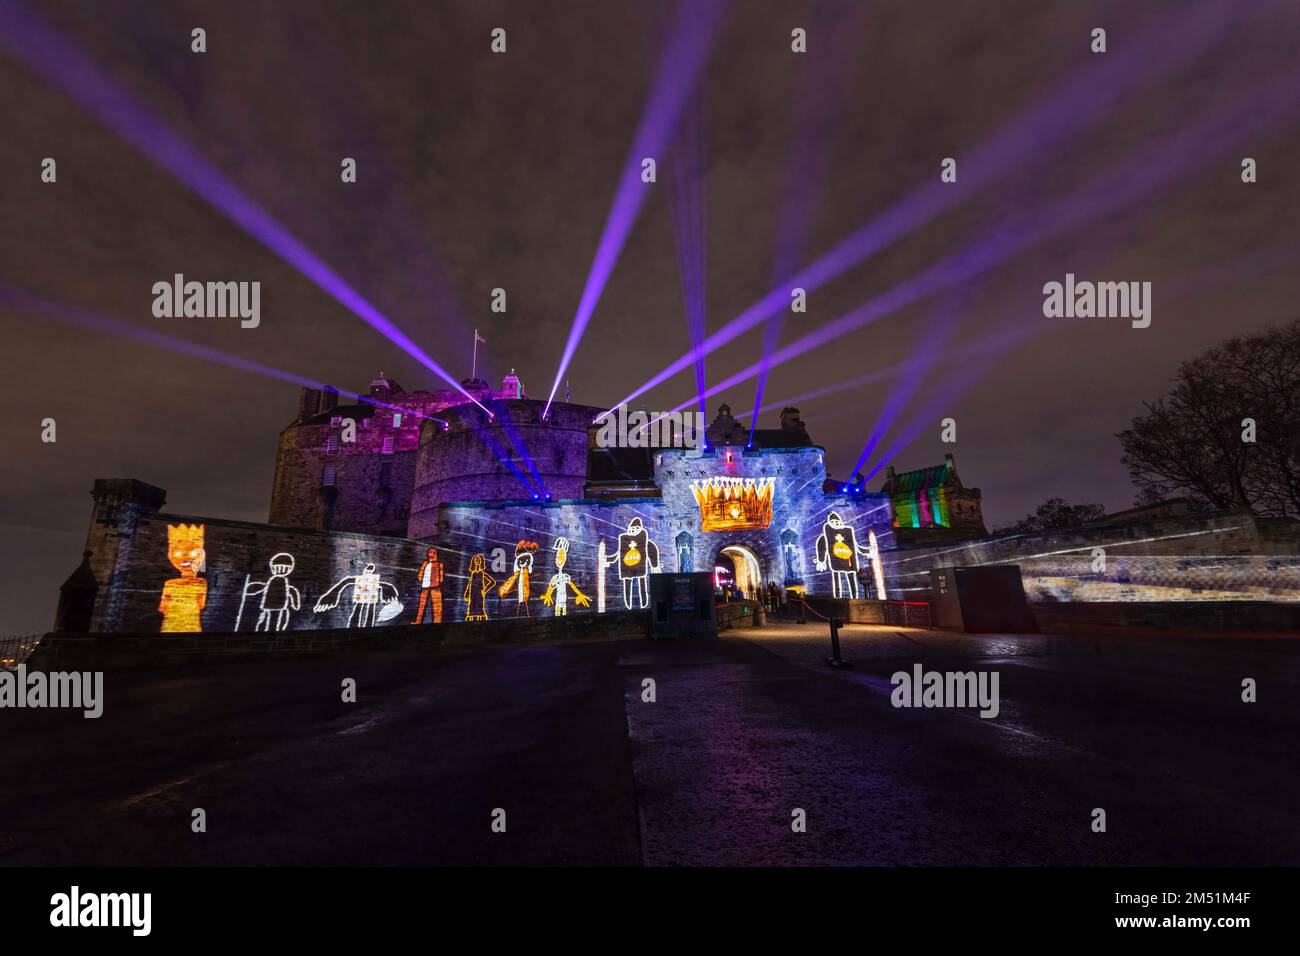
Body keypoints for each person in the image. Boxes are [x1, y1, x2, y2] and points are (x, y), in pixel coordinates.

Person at [412, 547, 444, 624]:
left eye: (434, 552)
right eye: (430, 552)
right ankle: (418, 621)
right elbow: (421, 572)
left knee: (437, 605)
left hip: (435, 587)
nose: (432, 554)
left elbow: (441, 575)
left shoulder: (439, 564)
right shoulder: (425, 563)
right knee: (421, 605)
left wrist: (438, 581)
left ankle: (437, 621)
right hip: (425, 586)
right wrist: (420, 578)